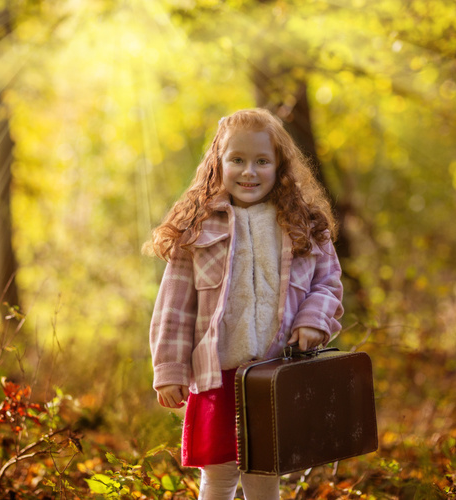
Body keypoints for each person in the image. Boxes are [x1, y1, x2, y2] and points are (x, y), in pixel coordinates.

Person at [146, 108, 344, 500]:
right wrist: (169, 368)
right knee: (218, 474)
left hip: (274, 373)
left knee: (265, 472)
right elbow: (174, 305)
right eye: (237, 160)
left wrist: (312, 321)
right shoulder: (198, 228)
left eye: (261, 161)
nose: (248, 171)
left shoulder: (301, 224)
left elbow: (328, 283)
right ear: (217, 164)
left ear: (279, 166)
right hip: (217, 373)